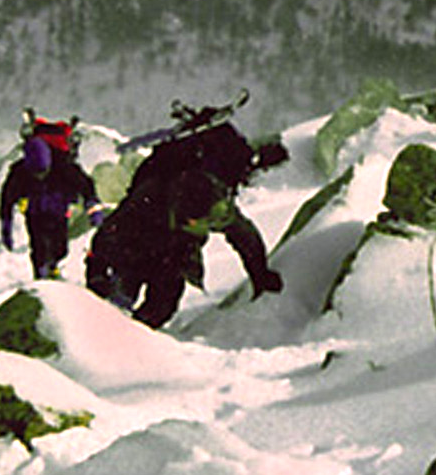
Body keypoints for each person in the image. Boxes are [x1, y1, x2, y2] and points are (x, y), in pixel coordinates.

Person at [85, 115, 286, 328]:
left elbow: (244, 236)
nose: (198, 224)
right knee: (120, 299)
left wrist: (260, 274)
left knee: (162, 307)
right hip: (138, 246)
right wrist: (96, 276)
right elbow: (106, 236)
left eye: (202, 222)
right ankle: (110, 335)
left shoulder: (214, 203)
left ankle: (131, 339)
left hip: (173, 255)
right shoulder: (148, 200)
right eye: (194, 221)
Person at [0, 117, 98, 280]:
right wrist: (6, 225)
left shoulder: (65, 167)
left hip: (58, 209)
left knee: (60, 247)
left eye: (42, 171)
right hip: (35, 211)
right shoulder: (20, 172)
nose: (39, 176)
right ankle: (42, 275)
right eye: (36, 172)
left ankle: (52, 266)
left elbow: (87, 187)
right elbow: (7, 199)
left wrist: (93, 208)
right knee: (39, 246)